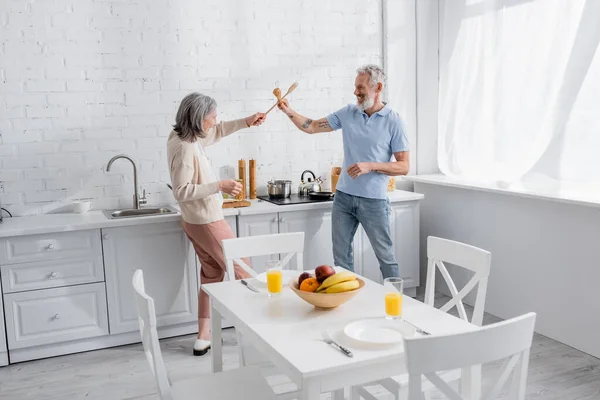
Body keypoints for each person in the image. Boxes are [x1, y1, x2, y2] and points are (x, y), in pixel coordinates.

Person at [277, 64, 409, 279]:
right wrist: (289, 111)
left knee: (385, 256)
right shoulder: (348, 113)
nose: (356, 92)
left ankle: (396, 305)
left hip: (374, 201)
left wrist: (371, 165)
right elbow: (312, 127)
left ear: (378, 87)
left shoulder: (394, 121)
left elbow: (404, 166)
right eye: (355, 87)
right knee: (341, 259)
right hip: (344, 198)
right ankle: (346, 304)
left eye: (360, 87)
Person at [167, 92, 266, 356]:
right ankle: (266, 330)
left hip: (194, 221)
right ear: (199, 118)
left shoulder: (182, 136)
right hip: (207, 220)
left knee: (211, 276)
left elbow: (218, 131)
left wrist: (246, 121)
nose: (215, 121)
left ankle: (203, 336)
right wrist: (219, 186)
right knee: (244, 272)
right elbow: (181, 191)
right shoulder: (187, 148)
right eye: (212, 117)